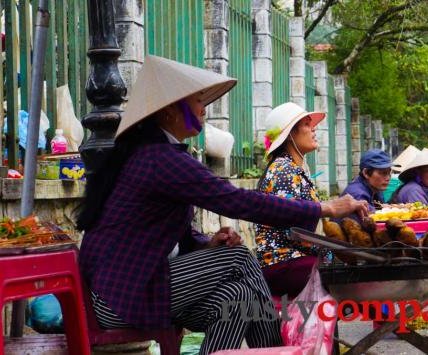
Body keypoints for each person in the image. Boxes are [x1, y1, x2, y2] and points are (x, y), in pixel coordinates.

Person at [77, 56, 368, 355]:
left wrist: (207, 245)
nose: (204, 108)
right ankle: (279, 351)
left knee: (239, 298)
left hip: (141, 285)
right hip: (120, 297)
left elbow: (164, 233)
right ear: (168, 111)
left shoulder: (159, 155)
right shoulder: (159, 158)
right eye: (196, 100)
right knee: (239, 258)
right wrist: (324, 209)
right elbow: (238, 201)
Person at [254, 102, 369, 298]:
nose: (314, 129)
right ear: (290, 133)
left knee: (357, 266)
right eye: (307, 125)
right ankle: (397, 323)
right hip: (284, 262)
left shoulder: (292, 168)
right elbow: (290, 232)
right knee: (358, 274)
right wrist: (332, 251)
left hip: (296, 258)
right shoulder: (284, 170)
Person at [340, 149, 400, 219]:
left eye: (389, 172)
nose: (388, 178)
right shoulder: (358, 195)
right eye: (383, 173)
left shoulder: (376, 189)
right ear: (366, 173)